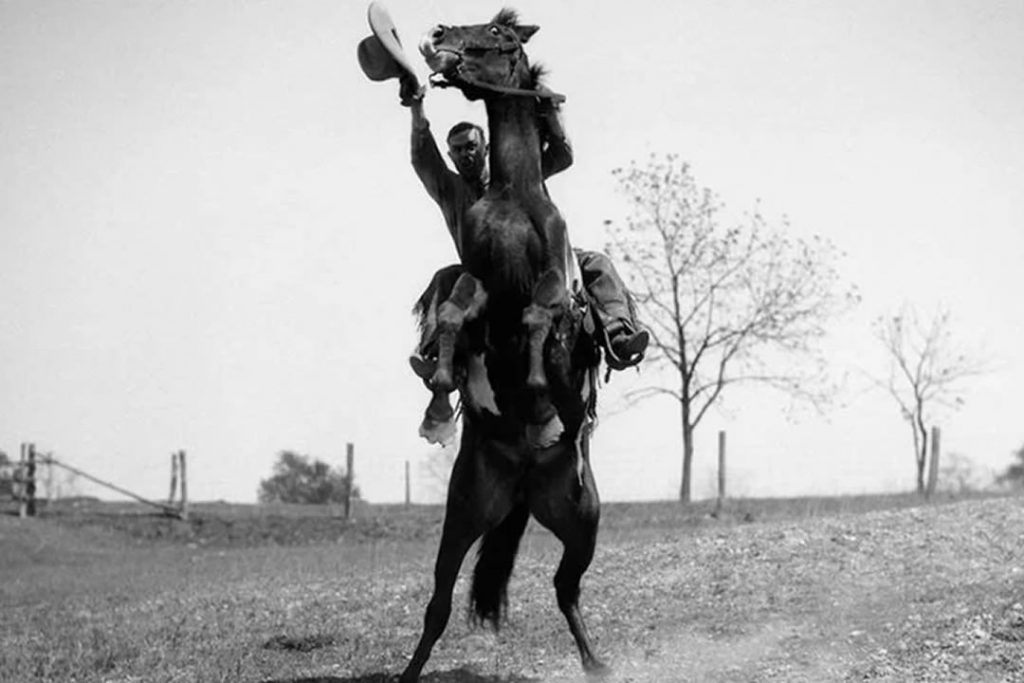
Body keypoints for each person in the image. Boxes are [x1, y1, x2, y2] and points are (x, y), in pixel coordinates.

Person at [400, 76, 648, 435]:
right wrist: (416, 106)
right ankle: (439, 355)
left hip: (540, 268)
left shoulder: (520, 176)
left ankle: (617, 334)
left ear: (485, 148)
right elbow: (422, 157)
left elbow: (562, 155)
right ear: (451, 157)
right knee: (444, 277)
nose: (466, 154)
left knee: (597, 263)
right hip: (482, 278)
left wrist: (552, 112)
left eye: (471, 146)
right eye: (458, 150)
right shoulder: (450, 190)